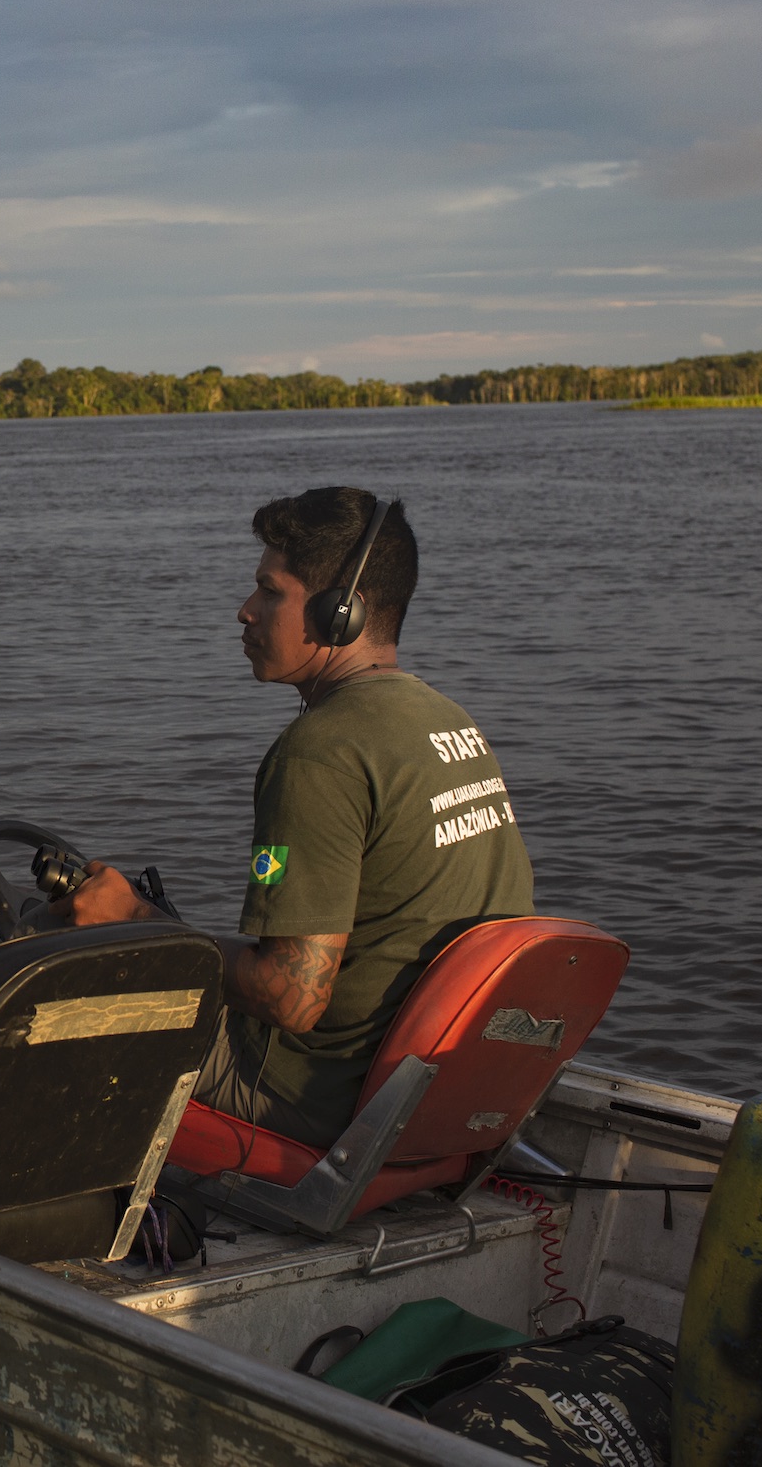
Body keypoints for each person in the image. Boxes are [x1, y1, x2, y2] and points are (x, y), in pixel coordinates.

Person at [55, 486, 533, 1146]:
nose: (245, 610)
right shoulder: (449, 722)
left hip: (307, 1099)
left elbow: (291, 996)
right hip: (423, 1096)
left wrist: (135, 920)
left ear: (342, 611)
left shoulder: (321, 752)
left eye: (270, 592)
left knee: (38, 974)